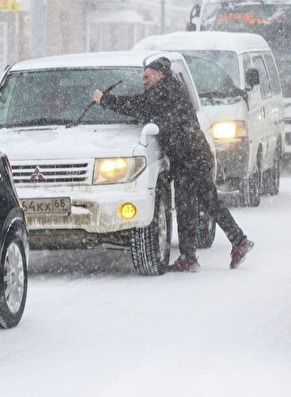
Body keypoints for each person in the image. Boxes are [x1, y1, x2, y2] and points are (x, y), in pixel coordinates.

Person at [92, 56, 254, 272]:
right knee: (209, 201)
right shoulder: (170, 88)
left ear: (160, 74)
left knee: (187, 206)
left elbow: (138, 105)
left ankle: (190, 257)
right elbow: (143, 103)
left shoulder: (164, 90)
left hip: (188, 158)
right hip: (194, 154)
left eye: (147, 76)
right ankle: (238, 240)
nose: (144, 81)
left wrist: (105, 100)